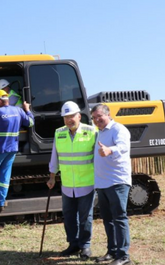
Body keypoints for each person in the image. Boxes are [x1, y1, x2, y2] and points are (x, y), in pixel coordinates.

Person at [47, 101, 96, 260]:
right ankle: (73, 244)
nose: (69, 120)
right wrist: (52, 176)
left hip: (86, 183)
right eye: (66, 117)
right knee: (68, 216)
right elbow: (55, 156)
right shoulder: (59, 133)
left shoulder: (91, 132)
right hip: (67, 184)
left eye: (72, 116)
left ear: (79, 116)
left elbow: (98, 158)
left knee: (85, 217)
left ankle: (85, 246)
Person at [91, 104, 132, 265]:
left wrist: (110, 150)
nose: (96, 120)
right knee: (107, 218)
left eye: (99, 116)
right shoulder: (99, 133)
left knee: (119, 218)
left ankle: (123, 256)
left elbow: (123, 147)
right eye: (94, 117)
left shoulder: (118, 129)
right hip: (102, 183)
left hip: (117, 181)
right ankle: (112, 251)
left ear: (108, 114)